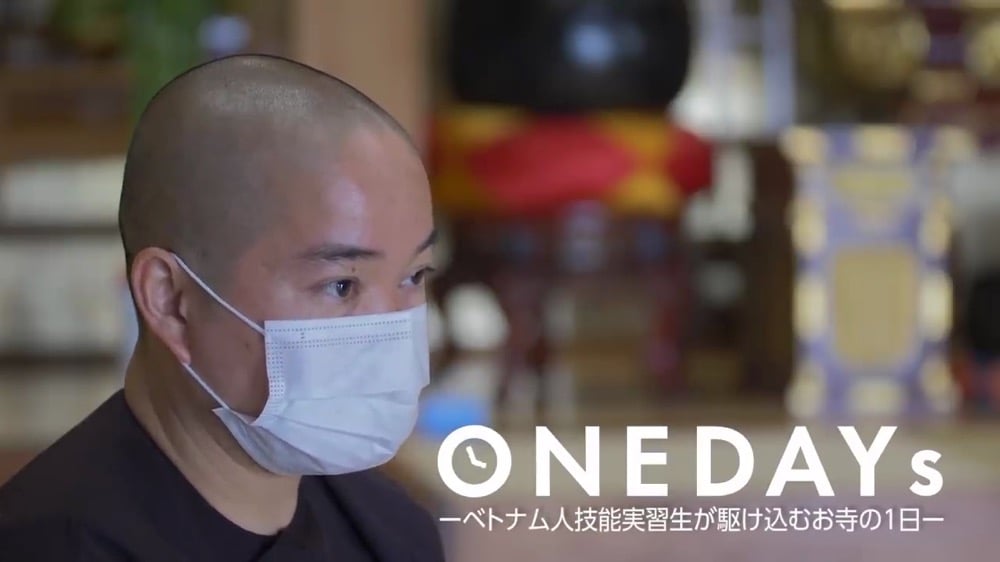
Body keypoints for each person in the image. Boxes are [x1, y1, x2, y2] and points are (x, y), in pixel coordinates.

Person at [0, 54, 445, 561]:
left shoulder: (392, 530)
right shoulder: (53, 545)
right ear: (171, 301)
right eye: (341, 285)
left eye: (414, 276)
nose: (392, 327)